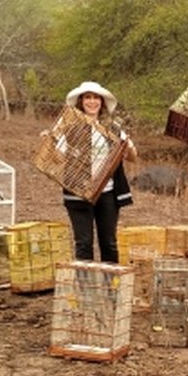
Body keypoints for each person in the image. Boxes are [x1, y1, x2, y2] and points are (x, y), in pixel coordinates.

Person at [61, 81, 138, 262]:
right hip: (78, 193)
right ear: (81, 101)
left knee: (109, 243)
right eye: (88, 97)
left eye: (96, 98)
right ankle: (86, 288)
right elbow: (57, 156)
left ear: (102, 102)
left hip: (108, 193)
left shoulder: (113, 128)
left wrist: (128, 148)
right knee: (83, 243)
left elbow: (132, 156)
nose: (92, 102)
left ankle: (110, 287)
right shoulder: (69, 127)